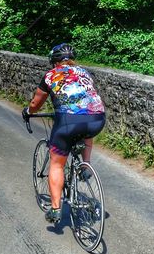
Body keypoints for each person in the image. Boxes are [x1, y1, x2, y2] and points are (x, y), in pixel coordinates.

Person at [22, 43, 106, 224]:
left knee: (57, 164)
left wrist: (28, 112)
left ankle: (55, 209)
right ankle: (85, 165)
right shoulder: (84, 72)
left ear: (54, 62)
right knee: (86, 123)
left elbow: (36, 103)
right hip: (98, 118)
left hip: (68, 121)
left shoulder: (51, 75)